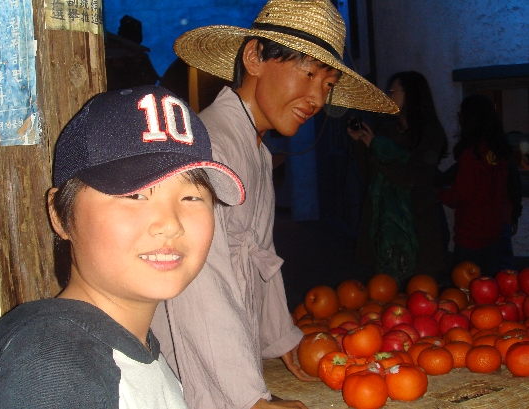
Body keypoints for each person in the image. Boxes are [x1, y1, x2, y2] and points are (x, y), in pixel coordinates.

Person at [150, 1, 398, 408]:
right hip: (189, 374)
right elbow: (198, 286)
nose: (318, 97)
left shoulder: (258, 151)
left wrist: (281, 337)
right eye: (309, 73)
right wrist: (251, 400)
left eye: (328, 83)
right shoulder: (212, 147)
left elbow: (257, 256)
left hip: (228, 365)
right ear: (254, 57)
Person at [0, 85, 245, 408]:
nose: (170, 223)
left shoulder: (135, 351)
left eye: (192, 196)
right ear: (60, 214)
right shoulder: (54, 373)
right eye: (134, 195)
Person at [348, 71, 449, 286]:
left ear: (411, 94)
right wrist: (360, 143)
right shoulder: (386, 129)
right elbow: (370, 176)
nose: (388, 95)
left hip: (418, 225)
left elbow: (411, 178)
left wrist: (378, 148)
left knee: (422, 296)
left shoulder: (429, 133)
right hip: (385, 226)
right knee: (385, 297)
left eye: (393, 91)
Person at [437, 93, 519, 277]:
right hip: (496, 231)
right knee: (498, 285)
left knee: (466, 288)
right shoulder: (498, 151)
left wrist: (438, 193)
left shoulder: (472, 155)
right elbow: (508, 187)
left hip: (472, 235)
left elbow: (462, 196)